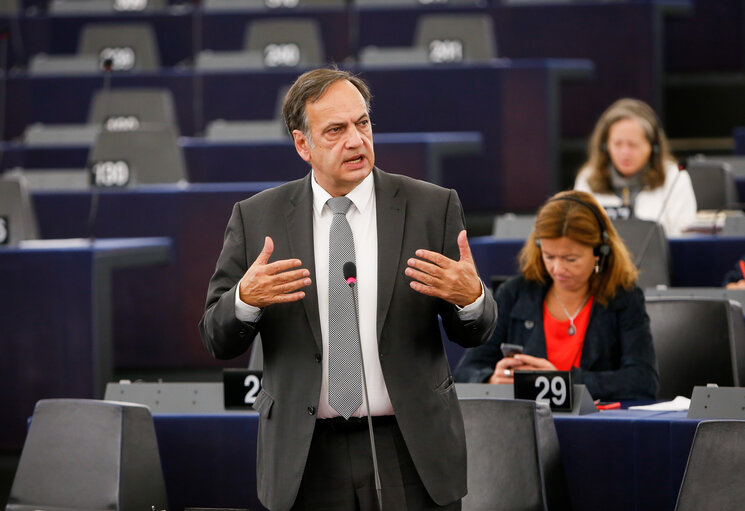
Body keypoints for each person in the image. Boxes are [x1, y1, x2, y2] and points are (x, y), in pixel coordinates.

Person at [199, 67, 498, 511]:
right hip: (306, 457)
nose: (356, 141)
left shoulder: (431, 207)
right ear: (303, 144)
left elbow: (473, 333)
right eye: (336, 130)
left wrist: (471, 299)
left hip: (410, 451)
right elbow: (215, 337)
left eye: (363, 123)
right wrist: (245, 300)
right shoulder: (256, 217)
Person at [454, 190, 658, 401]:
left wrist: (560, 380)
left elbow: (643, 380)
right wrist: (490, 381)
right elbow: (466, 372)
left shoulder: (625, 298)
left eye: (571, 259)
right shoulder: (514, 293)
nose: (558, 268)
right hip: (524, 425)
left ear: (601, 252)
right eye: (549, 256)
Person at [574, 98, 697, 236]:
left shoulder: (674, 178)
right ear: (605, 145)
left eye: (633, 144)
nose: (625, 153)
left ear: (653, 147)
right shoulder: (587, 178)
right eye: (617, 144)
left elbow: (684, 238)